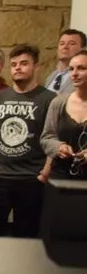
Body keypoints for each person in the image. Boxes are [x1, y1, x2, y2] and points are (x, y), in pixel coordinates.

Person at [0, 44, 54, 238]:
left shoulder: (49, 100)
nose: (18, 68)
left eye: (24, 63)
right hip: (0, 177)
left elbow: (53, 138)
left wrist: (45, 173)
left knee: (27, 238)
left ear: (36, 66)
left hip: (32, 179)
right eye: (14, 64)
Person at [41, 50, 87, 180]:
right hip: (60, 176)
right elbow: (47, 137)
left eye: (81, 68)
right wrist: (58, 147)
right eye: (71, 69)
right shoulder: (59, 102)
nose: (75, 74)